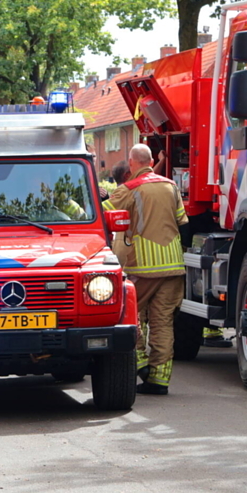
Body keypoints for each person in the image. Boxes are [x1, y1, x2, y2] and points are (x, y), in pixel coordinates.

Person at [103, 144, 188, 395]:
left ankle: (140, 366)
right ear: (151, 160)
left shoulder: (128, 189)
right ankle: (159, 381)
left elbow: (103, 215)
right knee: (163, 322)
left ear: (131, 163)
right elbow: (181, 219)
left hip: (143, 266)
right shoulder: (171, 186)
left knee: (130, 315)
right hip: (173, 265)